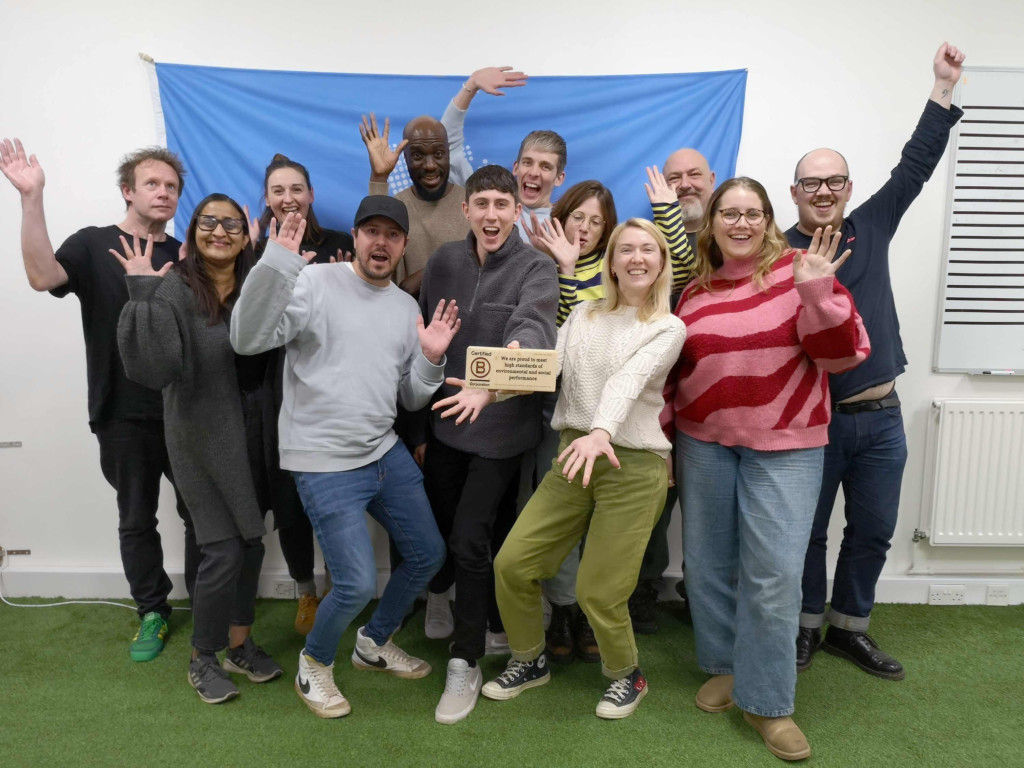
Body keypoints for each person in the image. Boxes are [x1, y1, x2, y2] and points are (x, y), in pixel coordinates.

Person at [664, 178, 870, 761]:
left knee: (774, 576)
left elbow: (844, 354)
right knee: (708, 565)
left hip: (786, 444)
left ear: (769, 220)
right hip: (704, 443)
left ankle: (769, 703)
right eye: (729, 213)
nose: (740, 223)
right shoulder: (696, 291)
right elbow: (673, 373)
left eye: (752, 214)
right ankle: (728, 665)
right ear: (713, 223)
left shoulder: (804, 269)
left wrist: (816, 292)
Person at [230, 196, 455, 719]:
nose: (381, 243)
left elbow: (411, 398)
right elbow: (246, 339)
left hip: (383, 451)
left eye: (391, 235)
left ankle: (373, 643)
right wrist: (276, 263)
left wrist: (430, 359)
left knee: (428, 553)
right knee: (353, 583)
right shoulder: (314, 282)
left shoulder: (404, 306)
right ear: (354, 237)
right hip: (323, 461)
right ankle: (315, 663)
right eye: (370, 232)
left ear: (402, 246)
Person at [452, 218, 686, 721]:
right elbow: (544, 369)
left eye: (648, 249)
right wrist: (488, 389)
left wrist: (601, 431)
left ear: (661, 262)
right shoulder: (583, 316)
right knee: (512, 564)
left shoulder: (668, 326)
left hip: (631, 462)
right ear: (612, 262)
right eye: (626, 249)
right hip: (575, 454)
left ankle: (628, 675)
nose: (637, 258)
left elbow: (630, 380)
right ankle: (528, 660)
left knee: (598, 591)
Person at [791, 42, 966, 680]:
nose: (824, 190)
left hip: (882, 419)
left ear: (848, 189)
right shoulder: (778, 253)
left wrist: (941, 88)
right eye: (811, 182)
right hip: (812, 422)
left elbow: (915, 165)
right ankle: (806, 627)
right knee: (807, 534)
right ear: (795, 192)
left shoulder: (873, 225)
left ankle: (849, 629)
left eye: (834, 180)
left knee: (873, 531)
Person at [0, 139, 199, 662]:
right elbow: (43, 276)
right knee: (136, 517)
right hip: (121, 410)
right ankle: (152, 610)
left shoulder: (184, 255)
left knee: (200, 513)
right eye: (152, 184)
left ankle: (208, 602)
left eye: (172, 187)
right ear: (128, 191)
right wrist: (31, 198)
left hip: (184, 409)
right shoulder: (93, 243)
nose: (163, 193)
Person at [116, 194, 284, 704]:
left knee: (251, 543)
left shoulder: (254, 285)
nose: (219, 231)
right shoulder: (174, 287)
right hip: (201, 437)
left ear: (245, 234)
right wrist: (142, 291)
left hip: (255, 433)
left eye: (231, 223)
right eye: (208, 221)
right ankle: (202, 657)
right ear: (193, 231)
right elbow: (154, 368)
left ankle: (239, 644)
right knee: (223, 549)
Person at [418, 165, 558, 725]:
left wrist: (491, 381)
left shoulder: (536, 267)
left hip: (503, 435)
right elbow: (429, 336)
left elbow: (534, 333)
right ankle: (488, 618)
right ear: (466, 210)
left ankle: (465, 661)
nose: (493, 214)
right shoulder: (444, 262)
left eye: (504, 203)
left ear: (516, 210)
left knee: (472, 540)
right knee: (462, 536)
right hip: (446, 426)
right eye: (483, 204)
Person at [249, 153, 355, 636]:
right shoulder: (254, 250)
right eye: (278, 191)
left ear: (311, 195)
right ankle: (305, 591)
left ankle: (341, 585)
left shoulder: (341, 244)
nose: (288, 199)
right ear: (267, 199)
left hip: (334, 382)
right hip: (276, 385)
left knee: (337, 494)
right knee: (288, 497)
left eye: (296, 189)